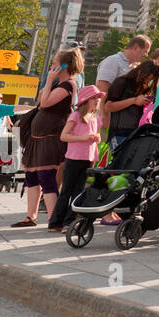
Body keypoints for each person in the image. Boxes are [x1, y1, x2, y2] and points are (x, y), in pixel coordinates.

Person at [14, 48, 83, 227]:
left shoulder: (68, 84)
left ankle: (55, 219)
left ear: (64, 66)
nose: (51, 67)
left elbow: (45, 103)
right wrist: (50, 83)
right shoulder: (56, 84)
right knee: (32, 177)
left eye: (54, 64)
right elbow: (40, 100)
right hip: (38, 137)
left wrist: (50, 80)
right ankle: (31, 216)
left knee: (46, 177)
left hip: (50, 137)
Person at [48, 85, 104, 231]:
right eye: (94, 98)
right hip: (73, 158)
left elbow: (97, 136)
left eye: (98, 98)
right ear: (86, 100)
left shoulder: (96, 118)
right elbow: (64, 136)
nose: (97, 101)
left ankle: (68, 222)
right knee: (66, 190)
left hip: (88, 158)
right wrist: (84, 137)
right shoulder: (76, 116)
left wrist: (96, 138)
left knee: (78, 192)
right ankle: (55, 223)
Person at [103, 61, 159, 151]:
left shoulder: (148, 87)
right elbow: (108, 107)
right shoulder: (122, 82)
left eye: (150, 80)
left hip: (139, 134)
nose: (147, 82)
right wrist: (133, 101)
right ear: (140, 72)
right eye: (145, 78)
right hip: (120, 133)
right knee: (120, 163)